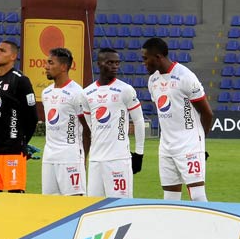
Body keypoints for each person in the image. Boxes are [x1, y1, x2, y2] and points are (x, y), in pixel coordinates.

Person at [142, 37, 213, 201]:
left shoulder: (185, 77)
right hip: (166, 146)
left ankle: (206, 226)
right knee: (170, 196)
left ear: (158, 57)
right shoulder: (153, 80)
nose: (144, 63)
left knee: (197, 196)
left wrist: (199, 141)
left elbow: (207, 113)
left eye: (146, 58)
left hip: (189, 144)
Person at [79, 48, 145, 198]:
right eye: (110, 63)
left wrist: (139, 153)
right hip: (96, 160)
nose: (115, 66)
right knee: (93, 207)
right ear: (99, 64)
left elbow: (139, 120)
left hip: (119, 159)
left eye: (117, 63)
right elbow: (90, 127)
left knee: (120, 206)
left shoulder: (125, 90)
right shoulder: (86, 93)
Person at [0, 40, 38, 192]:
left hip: (12, 149)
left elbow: (32, 117)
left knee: (14, 195)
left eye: (2, 50)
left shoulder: (20, 80)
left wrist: (22, 141)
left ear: (13, 56)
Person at [41, 47, 87, 196]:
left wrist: (83, 158)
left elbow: (87, 128)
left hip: (70, 156)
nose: (46, 66)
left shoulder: (77, 93)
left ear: (63, 67)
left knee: (74, 201)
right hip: (49, 156)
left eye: (50, 63)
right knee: (50, 203)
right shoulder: (46, 93)